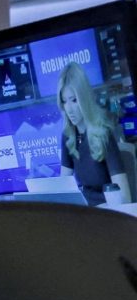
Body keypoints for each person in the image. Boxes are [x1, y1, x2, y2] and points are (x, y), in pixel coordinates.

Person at [58, 60, 135, 206]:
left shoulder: (103, 134)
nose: (69, 109)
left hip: (106, 216)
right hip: (83, 215)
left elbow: (125, 197)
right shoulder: (68, 136)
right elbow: (62, 191)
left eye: (74, 100)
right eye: (64, 101)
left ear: (84, 98)